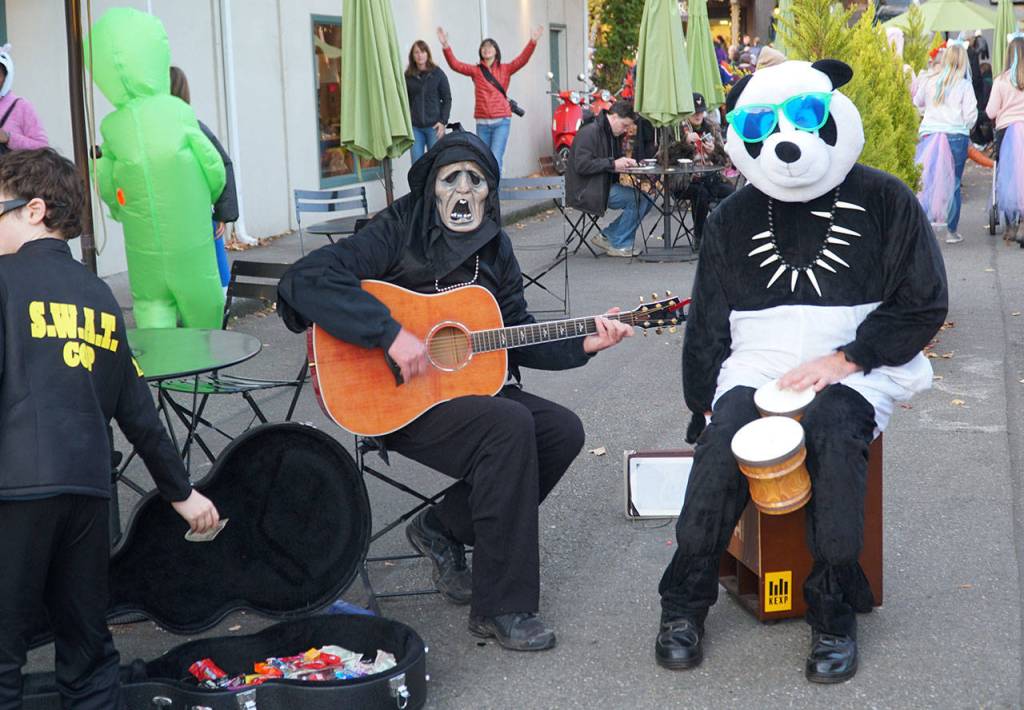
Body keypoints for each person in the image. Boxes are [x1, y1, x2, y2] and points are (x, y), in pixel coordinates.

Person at [277, 130, 633, 652]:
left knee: (561, 430)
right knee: (508, 426)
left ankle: (442, 527)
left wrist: (585, 344)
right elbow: (305, 279)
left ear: (489, 191)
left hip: (468, 393)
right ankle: (502, 607)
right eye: (451, 179)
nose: (463, 192)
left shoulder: (495, 246)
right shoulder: (397, 229)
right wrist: (389, 333)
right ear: (432, 186)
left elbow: (518, 335)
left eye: (477, 181)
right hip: (398, 400)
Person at [654, 59, 947, 684]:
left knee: (837, 436)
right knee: (721, 445)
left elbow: (924, 300)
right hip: (756, 363)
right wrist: (702, 401)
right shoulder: (731, 218)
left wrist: (847, 360)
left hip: (856, 362)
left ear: (834, 112)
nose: (786, 140)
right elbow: (707, 321)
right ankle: (683, 603)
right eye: (763, 125)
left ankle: (835, 609)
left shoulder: (885, 199)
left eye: (806, 116)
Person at [0, 148, 220, 709]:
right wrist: (182, 493)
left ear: (34, 210)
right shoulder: (99, 294)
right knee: (88, 655)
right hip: (90, 496)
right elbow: (138, 414)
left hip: (14, 491)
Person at [436, 25, 543, 174]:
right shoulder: (476, 70)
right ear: (480, 51)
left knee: (494, 158)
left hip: (501, 122)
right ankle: (489, 192)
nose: (486, 49)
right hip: (482, 123)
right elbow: (456, 65)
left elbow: (521, 60)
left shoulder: (505, 69)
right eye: (484, 47)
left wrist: (532, 41)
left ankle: (496, 195)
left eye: (490, 46)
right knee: (483, 159)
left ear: (496, 51)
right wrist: (445, 45)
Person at [169, 66, 238, 289]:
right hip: (198, 214)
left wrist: (221, 214)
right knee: (216, 282)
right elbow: (222, 164)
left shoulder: (186, 128)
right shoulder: (194, 128)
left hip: (173, 218)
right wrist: (221, 214)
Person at [565, 101, 652, 257]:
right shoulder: (589, 132)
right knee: (639, 199)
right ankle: (618, 242)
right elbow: (582, 165)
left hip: (599, 186)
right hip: (586, 190)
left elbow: (608, 161)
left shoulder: (610, 133)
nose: (626, 130)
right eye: (625, 125)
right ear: (614, 117)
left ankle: (609, 236)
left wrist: (624, 162)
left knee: (646, 200)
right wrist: (613, 164)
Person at [913, 42, 977, 244]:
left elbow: (917, 102)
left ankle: (925, 226)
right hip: (956, 135)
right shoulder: (965, 85)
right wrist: (965, 125)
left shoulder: (931, 81)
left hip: (930, 133)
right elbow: (971, 115)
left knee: (927, 180)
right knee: (954, 183)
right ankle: (951, 232)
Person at [667, 93, 734, 250]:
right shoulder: (676, 129)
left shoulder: (711, 127)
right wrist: (683, 143)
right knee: (701, 193)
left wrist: (714, 151)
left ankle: (725, 234)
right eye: (694, 111)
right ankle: (700, 238)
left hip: (711, 178)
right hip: (684, 181)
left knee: (732, 194)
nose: (698, 115)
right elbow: (663, 158)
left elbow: (725, 161)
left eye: (701, 111)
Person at [986, 34, 1024, 242]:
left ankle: (1010, 225)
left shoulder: (1001, 81)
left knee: (1008, 175)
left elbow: (991, 112)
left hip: (1007, 131)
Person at [405, 40, 452, 162]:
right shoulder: (408, 76)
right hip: (415, 128)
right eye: (416, 52)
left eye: (423, 51)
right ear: (412, 56)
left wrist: (443, 121)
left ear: (427, 54)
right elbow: (405, 101)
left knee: (437, 164)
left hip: (434, 127)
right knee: (417, 165)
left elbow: (447, 99)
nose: (420, 55)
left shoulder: (437, 74)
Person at [0, 45, 48, 153]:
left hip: (10, 169)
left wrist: (8, 138)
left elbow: (42, 148)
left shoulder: (21, 106)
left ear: (7, 76)